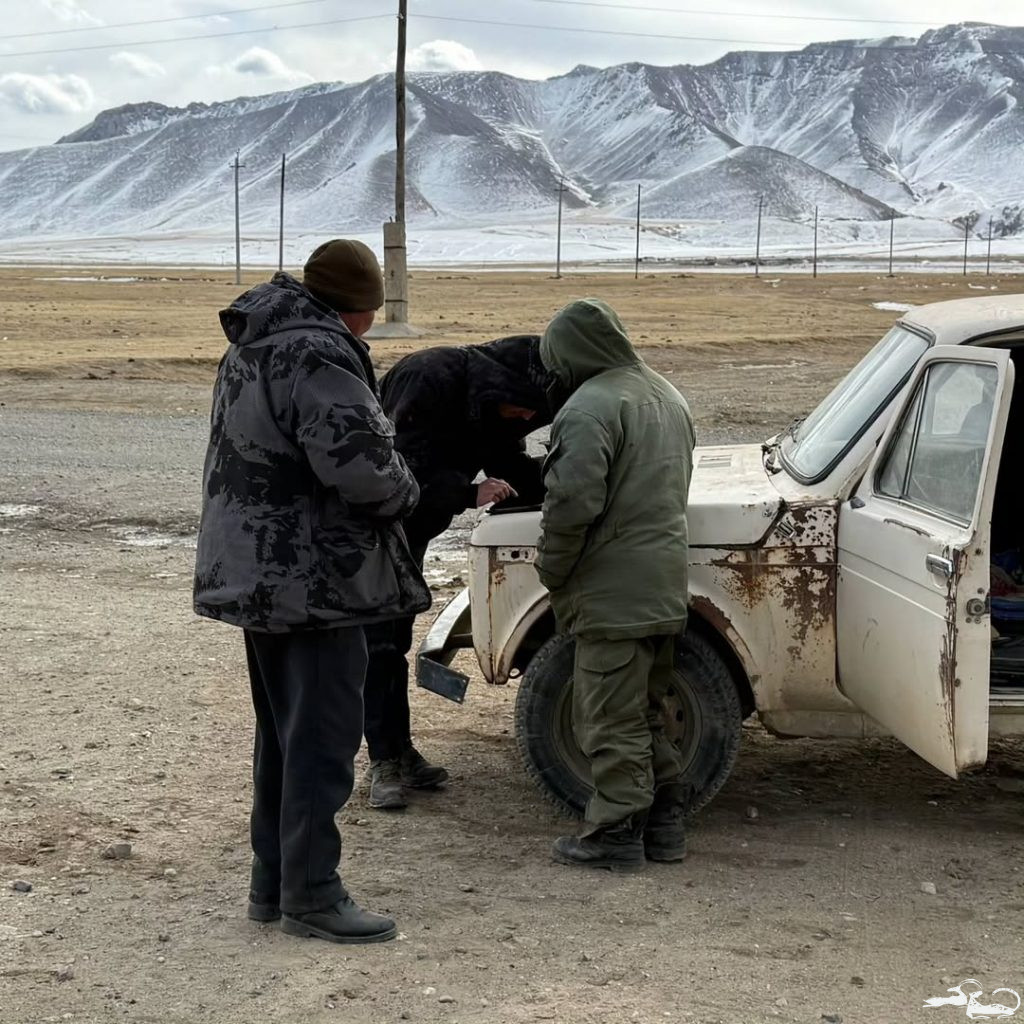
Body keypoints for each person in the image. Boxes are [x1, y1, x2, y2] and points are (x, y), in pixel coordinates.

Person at [193, 239, 430, 943]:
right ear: (357, 308)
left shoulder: (254, 344)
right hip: (314, 579)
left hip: (259, 573)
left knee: (284, 735)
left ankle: (274, 885)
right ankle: (313, 896)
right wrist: (409, 489)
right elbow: (361, 469)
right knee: (323, 741)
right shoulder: (319, 355)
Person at [534, 298, 695, 871]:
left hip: (611, 592)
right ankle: (666, 824)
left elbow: (572, 501)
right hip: (663, 585)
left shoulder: (588, 408)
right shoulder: (666, 395)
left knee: (606, 717)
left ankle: (616, 835)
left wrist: (551, 569)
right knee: (644, 711)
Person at [363, 336, 552, 809]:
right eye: (524, 412)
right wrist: (469, 494)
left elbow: (508, 463)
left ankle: (399, 753)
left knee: (393, 638)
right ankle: (384, 760)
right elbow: (395, 471)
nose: (527, 421)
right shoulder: (430, 378)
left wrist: (561, 478)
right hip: (375, 531)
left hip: (414, 528)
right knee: (379, 643)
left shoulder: (494, 400)